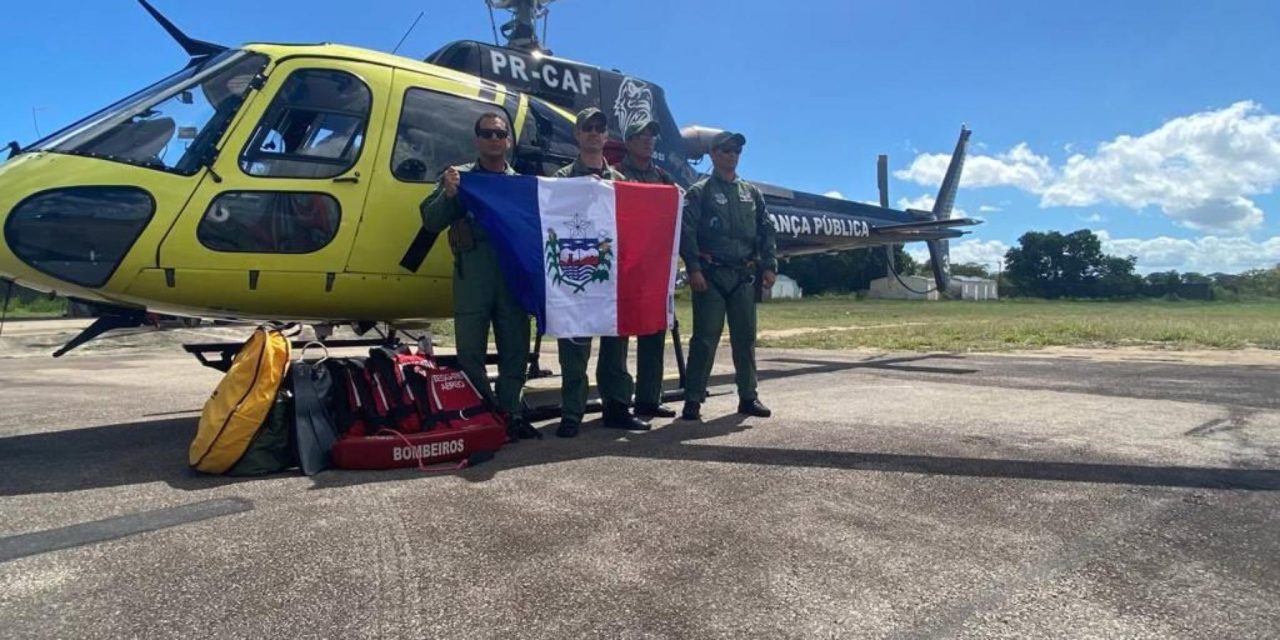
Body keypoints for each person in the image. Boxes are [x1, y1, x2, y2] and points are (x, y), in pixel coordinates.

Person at [420, 112, 541, 441]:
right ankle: (484, 413)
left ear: (508, 141)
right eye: (486, 134)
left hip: (511, 275)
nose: (493, 139)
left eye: (499, 134)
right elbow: (430, 221)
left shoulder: (519, 185)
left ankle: (512, 412)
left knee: (515, 348)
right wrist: (449, 194)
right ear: (476, 140)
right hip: (472, 275)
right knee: (470, 351)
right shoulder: (458, 178)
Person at [550, 107, 650, 438]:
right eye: (587, 127)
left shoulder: (621, 183)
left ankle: (618, 408)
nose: (594, 132)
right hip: (575, 274)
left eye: (600, 128)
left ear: (607, 137)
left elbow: (637, 227)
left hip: (610, 279)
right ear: (577, 134)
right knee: (574, 351)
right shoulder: (561, 180)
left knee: (615, 350)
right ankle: (571, 414)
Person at [678, 130, 778, 421]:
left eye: (736, 150)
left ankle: (748, 396)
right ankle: (693, 399)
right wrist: (694, 268)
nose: (731, 155)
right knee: (705, 339)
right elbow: (687, 233)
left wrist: (769, 265)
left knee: (745, 340)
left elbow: (765, 229)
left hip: (744, 276)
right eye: (725, 150)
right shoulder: (700, 191)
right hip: (711, 277)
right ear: (712, 154)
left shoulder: (751, 193)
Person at [612, 118, 677, 419]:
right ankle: (618, 401)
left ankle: (649, 398)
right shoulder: (615, 174)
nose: (648, 140)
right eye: (641, 135)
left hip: (653, 269)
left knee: (654, 332)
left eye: (652, 135)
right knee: (618, 337)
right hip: (624, 267)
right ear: (628, 141)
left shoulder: (664, 179)